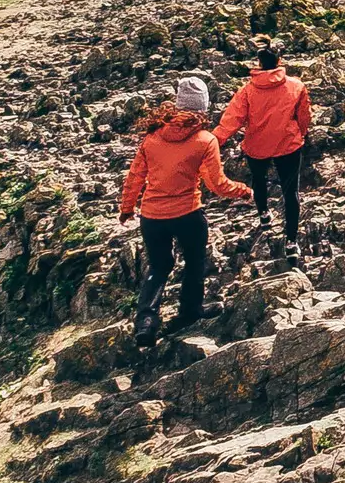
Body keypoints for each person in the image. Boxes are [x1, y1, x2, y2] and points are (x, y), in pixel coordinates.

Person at [120, 75, 252, 346]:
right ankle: (190, 312)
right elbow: (217, 185)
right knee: (194, 263)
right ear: (203, 108)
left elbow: (135, 176)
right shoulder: (205, 140)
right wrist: (243, 190)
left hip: (152, 216)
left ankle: (146, 321)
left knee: (159, 266)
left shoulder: (153, 136)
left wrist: (127, 207)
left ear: (178, 105)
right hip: (187, 214)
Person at [214, 45, 313, 255]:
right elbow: (304, 116)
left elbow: (232, 119)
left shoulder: (248, 90)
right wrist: (301, 133)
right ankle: (291, 242)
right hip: (288, 144)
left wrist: (213, 141)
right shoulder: (296, 86)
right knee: (291, 192)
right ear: (279, 61)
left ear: (259, 64)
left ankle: (264, 214)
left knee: (259, 181)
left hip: (257, 145)